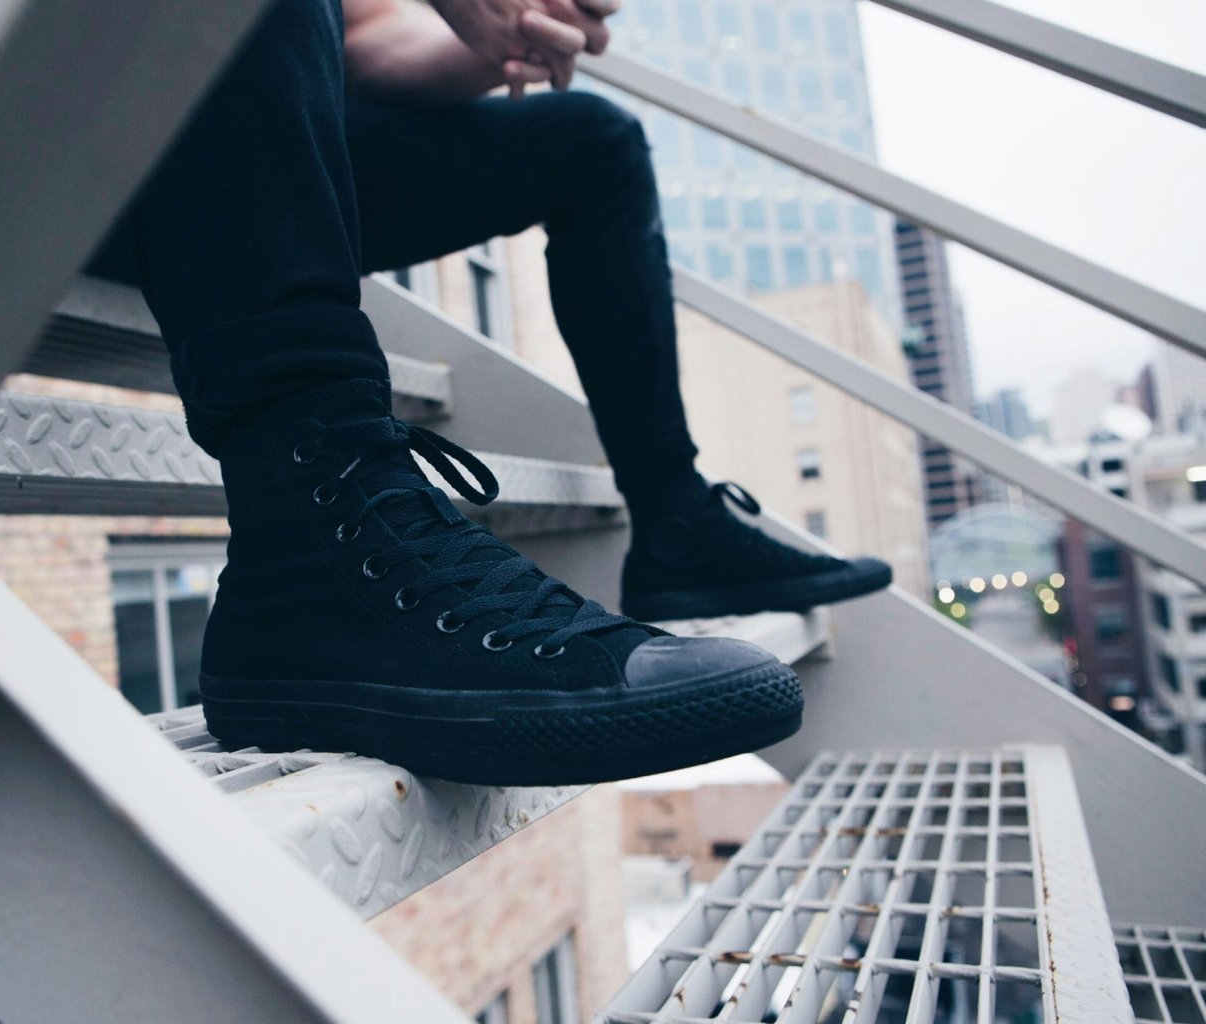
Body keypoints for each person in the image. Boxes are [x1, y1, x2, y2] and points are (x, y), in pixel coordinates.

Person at [88, 0, 891, 786]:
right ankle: (304, 538)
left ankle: (675, 519)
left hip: (261, 137)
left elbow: (364, 39)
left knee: (592, 139)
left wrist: (502, 38)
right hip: (87, 141)